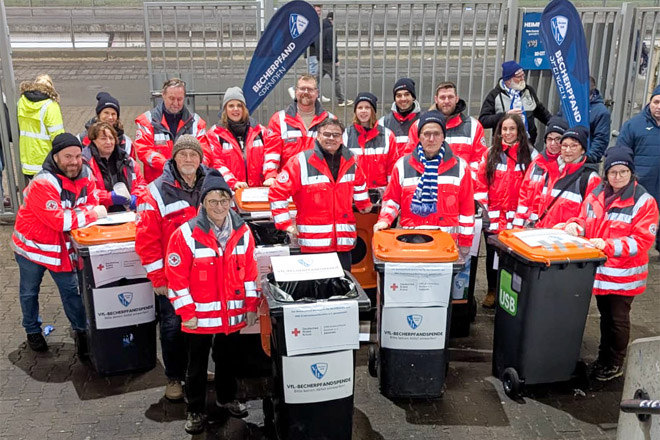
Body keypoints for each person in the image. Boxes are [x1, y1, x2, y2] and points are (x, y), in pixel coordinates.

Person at [166, 169, 258, 434]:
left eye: (223, 200)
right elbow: (177, 279)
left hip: (231, 315)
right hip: (199, 317)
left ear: (231, 201)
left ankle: (226, 398)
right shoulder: (185, 235)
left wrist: (250, 306)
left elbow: (250, 273)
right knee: (195, 365)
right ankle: (195, 410)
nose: (219, 206)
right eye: (212, 201)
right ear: (203, 204)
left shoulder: (243, 231)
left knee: (228, 359)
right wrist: (187, 312)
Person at [563, 147, 658, 381]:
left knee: (617, 320)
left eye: (622, 171)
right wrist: (576, 225)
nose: (617, 177)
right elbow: (585, 218)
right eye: (613, 172)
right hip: (601, 273)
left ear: (631, 172)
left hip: (624, 276)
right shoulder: (597, 192)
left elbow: (641, 241)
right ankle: (604, 359)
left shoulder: (643, 201)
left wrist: (606, 245)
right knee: (606, 318)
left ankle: (614, 364)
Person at [11, 133, 107, 354]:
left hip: (60, 249)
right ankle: (32, 330)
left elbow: (92, 202)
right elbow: (61, 221)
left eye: (77, 156)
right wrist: (90, 214)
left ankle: (81, 332)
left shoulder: (87, 174)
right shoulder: (43, 183)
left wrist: (81, 212)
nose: (73, 162)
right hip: (31, 250)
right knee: (29, 292)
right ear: (55, 157)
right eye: (67, 157)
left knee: (72, 292)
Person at [135, 135, 208, 401]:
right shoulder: (155, 191)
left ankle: (195, 371)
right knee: (172, 326)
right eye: (183, 154)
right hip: (173, 276)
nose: (188, 159)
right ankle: (174, 377)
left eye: (193, 155)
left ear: (200, 158)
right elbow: (146, 239)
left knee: (201, 325)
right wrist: (158, 277)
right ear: (174, 158)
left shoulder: (210, 182)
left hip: (206, 273)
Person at [269, 118, 372, 270]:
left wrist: (363, 204)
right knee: (317, 292)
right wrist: (286, 225)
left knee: (344, 291)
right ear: (318, 136)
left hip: (344, 244)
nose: (331, 138)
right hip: (313, 246)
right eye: (327, 134)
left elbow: (360, 182)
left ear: (342, 138)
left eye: (336, 135)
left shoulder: (351, 160)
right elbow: (277, 192)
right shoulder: (301, 161)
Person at [374, 111, 475, 257]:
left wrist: (465, 242)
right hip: (411, 244)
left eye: (436, 133)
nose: (431, 139)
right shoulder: (402, 166)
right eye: (426, 134)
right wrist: (385, 219)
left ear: (443, 136)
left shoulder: (460, 167)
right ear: (419, 137)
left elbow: (467, 210)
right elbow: (392, 200)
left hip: (446, 247)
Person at [475, 114, 536, 308]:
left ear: (519, 131)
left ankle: (511, 292)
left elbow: (534, 189)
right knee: (493, 256)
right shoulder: (491, 153)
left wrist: (524, 217)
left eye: (512, 129)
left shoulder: (531, 155)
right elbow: (480, 183)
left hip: (518, 220)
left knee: (515, 259)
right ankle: (492, 290)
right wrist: (485, 211)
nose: (508, 133)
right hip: (493, 218)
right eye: (504, 129)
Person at [514, 125, 600, 229]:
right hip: (543, 236)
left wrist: (570, 226)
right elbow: (537, 206)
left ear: (583, 150)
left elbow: (591, 217)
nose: (568, 150)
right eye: (564, 145)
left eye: (574, 146)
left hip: (567, 241)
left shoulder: (591, 179)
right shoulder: (550, 172)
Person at [134, 78, 211, 183]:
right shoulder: (147, 121)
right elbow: (144, 151)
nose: (176, 103)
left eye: (179, 99)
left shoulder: (196, 123)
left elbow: (205, 153)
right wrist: (169, 165)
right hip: (159, 183)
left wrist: (191, 168)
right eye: (171, 98)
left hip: (190, 183)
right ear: (163, 95)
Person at [404, 81, 487, 178]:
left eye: (450, 97)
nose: (446, 101)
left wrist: (465, 180)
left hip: (460, 188)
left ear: (457, 98)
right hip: (428, 186)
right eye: (442, 97)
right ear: (436, 99)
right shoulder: (419, 126)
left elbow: (480, 161)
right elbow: (410, 157)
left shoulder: (474, 126)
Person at [262, 75, 333, 185]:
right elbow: (272, 152)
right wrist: (271, 176)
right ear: (296, 91)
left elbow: (337, 154)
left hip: (319, 186)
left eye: (310, 89)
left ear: (317, 93)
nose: (306, 92)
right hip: (288, 184)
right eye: (302, 89)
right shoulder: (279, 120)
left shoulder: (330, 120)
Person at [615, 84, 660, 251]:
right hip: (642, 184)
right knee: (639, 220)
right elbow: (622, 153)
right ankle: (633, 249)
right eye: (656, 102)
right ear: (650, 103)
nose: (659, 107)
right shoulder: (634, 125)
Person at [479, 61, 551, 146]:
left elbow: (541, 112)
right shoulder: (495, 95)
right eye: (519, 77)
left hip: (527, 144)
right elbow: (483, 120)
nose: (522, 79)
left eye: (523, 75)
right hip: (503, 146)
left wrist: (555, 125)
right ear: (509, 80)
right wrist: (505, 115)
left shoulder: (528, 91)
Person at [513, 116, 568, 227]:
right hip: (530, 227)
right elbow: (524, 196)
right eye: (549, 139)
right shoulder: (537, 163)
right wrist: (518, 225)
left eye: (558, 139)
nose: (553, 143)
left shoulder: (566, 167)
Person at [207, 87, 266, 189]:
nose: (235, 109)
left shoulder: (260, 131)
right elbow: (216, 163)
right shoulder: (215, 134)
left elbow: (270, 157)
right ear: (225, 109)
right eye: (231, 106)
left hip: (259, 194)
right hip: (229, 195)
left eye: (239, 105)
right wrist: (233, 183)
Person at [83, 121, 146, 212]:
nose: (108, 142)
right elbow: (84, 192)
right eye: (103, 138)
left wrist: (136, 197)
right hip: (99, 216)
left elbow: (141, 184)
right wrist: (109, 197)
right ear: (93, 140)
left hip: (127, 216)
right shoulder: (85, 164)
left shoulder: (127, 162)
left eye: (111, 138)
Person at [342, 92, 397, 188]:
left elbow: (392, 169)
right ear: (355, 111)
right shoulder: (346, 135)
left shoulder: (387, 135)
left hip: (380, 194)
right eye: (360, 108)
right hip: (356, 193)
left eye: (367, 107)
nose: (363, 111)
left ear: (373, 111)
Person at [17, 74, 65, 180]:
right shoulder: (51, 105)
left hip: (27, 159)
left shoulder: (22, 102)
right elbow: (58, 136)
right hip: (46, 160)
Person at [78, 92, 134, 158]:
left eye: (113, 114)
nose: (110, 117)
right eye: (106, 113)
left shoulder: (126, 142)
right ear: (99, 115)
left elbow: (131, 166)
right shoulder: (81, 139)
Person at [378, 78, 421, 158]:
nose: (403, 98)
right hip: (391, 170)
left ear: (413, 97)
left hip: (416, 169)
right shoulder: (383, 123)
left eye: (407, 94)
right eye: (399, 95)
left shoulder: (423, 121)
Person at [320, 12, 352, 107]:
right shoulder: (330, 30)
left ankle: (301, 94)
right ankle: (341, 100)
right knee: (337, 80)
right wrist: (335, 60)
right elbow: (331, 46)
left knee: (315, 79)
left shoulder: (321, 28)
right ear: (332, 20)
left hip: (321, 59)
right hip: (329, 60)